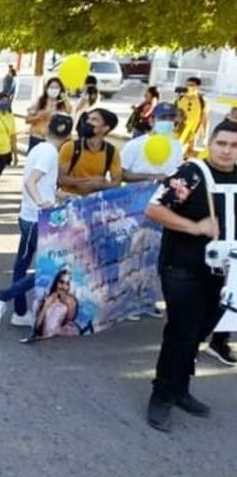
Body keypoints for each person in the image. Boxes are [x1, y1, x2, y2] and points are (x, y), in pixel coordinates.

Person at [144, 120, 237, 432]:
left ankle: (180, 389)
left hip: (222, 274)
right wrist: (195, 227)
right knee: (182, 332)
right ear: (210, 143)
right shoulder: (191, 174)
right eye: (221, 143)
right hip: (182, 269)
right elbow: (155, 209)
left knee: (199, 333)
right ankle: (161, 397)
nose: (227, 150)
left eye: (234, 145)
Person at [0, 114, 75, 326]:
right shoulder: (50, 153)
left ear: (47, 128)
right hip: (37, 218)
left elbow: (40, 183)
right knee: (51, 269)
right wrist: (41, 202)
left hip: (29, 215)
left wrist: (58, 196)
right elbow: (31, 181)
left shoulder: (39, 148)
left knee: (23, 263)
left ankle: (19, 312)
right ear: (69, 135)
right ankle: (1, 296)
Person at [58, 108, 122, 196]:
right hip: (68, 197)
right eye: (88, 118)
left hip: (93, 201)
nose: (88, 122)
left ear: (105, 128)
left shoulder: (112, 152)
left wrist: (102, 185)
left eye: (94, 120)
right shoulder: (70, 147)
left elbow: (117, 183)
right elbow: (61, 179)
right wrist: (90, 181)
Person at [121, 103, 184, 183]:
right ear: (151, 121)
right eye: (163, 118)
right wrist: (152, 177)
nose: (168, 122)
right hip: (137, 193)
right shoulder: (135, 145)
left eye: (171, 118)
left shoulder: (176, 145)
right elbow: (120, 174)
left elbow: (178, 172)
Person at [29, 269, 80, 339]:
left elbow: (68, 321)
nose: (63, 286)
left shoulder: (70, 301)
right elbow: (37, 325)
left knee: (60, 307)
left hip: (59, 330)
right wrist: (47, 304)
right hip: (43, 329)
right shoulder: (48, 297)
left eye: (67, 284)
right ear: (56, 282)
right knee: (37, 302)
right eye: (61, 282)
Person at [25, 77, 72, 152]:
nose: (54, 90)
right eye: (52, 87)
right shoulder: (40, 102)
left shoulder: (62, 104)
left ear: (60, 90)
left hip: (54, 141)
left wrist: (65, 98)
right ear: (47, 89)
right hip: (37, 139)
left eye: (56, 88)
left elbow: (69, 113)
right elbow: (27, 120)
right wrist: (38, 117)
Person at [176, 77, 207, 157]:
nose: (188, 87)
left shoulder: (202, 101)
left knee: (188, 153)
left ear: (197, 87)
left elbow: (204, 118)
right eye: (187, 85)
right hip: (179, 130)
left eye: (191, 85)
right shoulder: (180, 98)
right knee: (177, 151)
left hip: (192, 132)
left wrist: (204, 135)